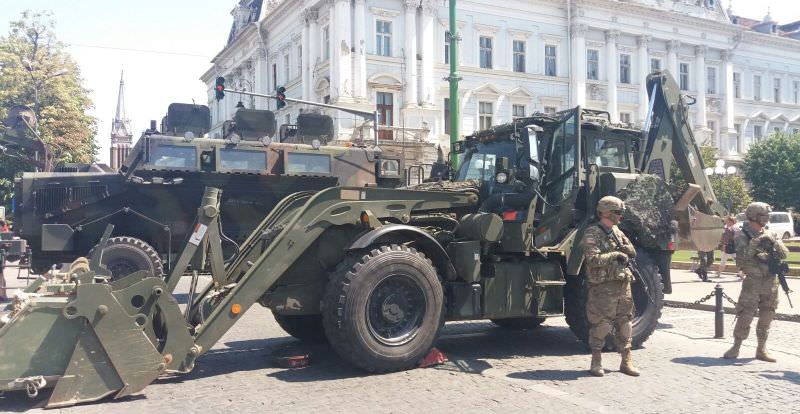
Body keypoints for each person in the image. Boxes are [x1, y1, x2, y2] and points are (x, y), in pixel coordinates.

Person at [581, 196, 639, 377]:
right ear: (606, 212)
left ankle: (626, 361)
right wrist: (614, 254)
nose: (620, 216)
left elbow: (632, 252)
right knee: (602, 325)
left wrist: (625, 249)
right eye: (617, 212)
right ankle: (596, 361)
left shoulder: (618, 232)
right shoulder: (592, 233)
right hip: (603, 287)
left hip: (623, 285)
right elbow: (592, 259)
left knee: (625, 323)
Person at [723, 202, 789, 362]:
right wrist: (756, 243)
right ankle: (736, 346)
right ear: (754, 216)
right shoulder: (742, 235)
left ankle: (761, 349)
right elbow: (741, 262)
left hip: (770, 282)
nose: (767, 218)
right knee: (745, 314)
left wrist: (774, 241)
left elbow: (784, 254)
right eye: (764, 216)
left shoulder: (770, 233)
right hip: (753, 282)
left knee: (768, 314)